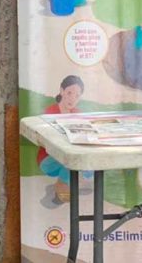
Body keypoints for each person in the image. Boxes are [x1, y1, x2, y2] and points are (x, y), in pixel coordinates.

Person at [37, 75, 84, 203]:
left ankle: (68, 186)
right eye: (69, 93)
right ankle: (61, 189)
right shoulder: (50, 112)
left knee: (88, 165)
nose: (72, 98)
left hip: (70, 154)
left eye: (77, 95)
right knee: (70, 162)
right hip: (49, 159)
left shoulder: (78, 113)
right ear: (61, 91)